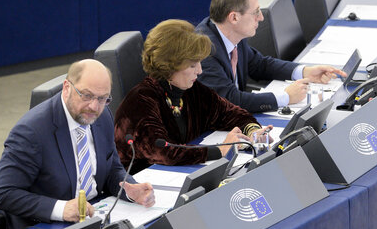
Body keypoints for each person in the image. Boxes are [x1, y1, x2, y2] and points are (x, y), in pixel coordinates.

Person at [0, 59, 155, 229]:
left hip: (93, 216)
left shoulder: (102, 115)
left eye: (102, 98)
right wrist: (62, 209)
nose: (94, 106)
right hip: (42, 226)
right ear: (67, 88)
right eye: (86, 95)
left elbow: (112, 169)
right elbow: (4, 193)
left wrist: (131, 190)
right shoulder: (31, 132)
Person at [115, 19, 270, 173]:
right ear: (170, 66)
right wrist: (219, 150)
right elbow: (164, 152)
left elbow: (229, 113)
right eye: (192, 65)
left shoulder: (191, 89)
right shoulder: (140, 101)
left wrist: (253, 131)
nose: (200, 71)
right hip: (140, 185)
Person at [196, 0, 345, 113]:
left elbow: (260, 65)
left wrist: (305, 71)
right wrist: (285, 97)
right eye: (256, 12)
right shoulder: (204, 51)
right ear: (234, 17)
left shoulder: (232, 34)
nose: (261, 18)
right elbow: (230, 100)